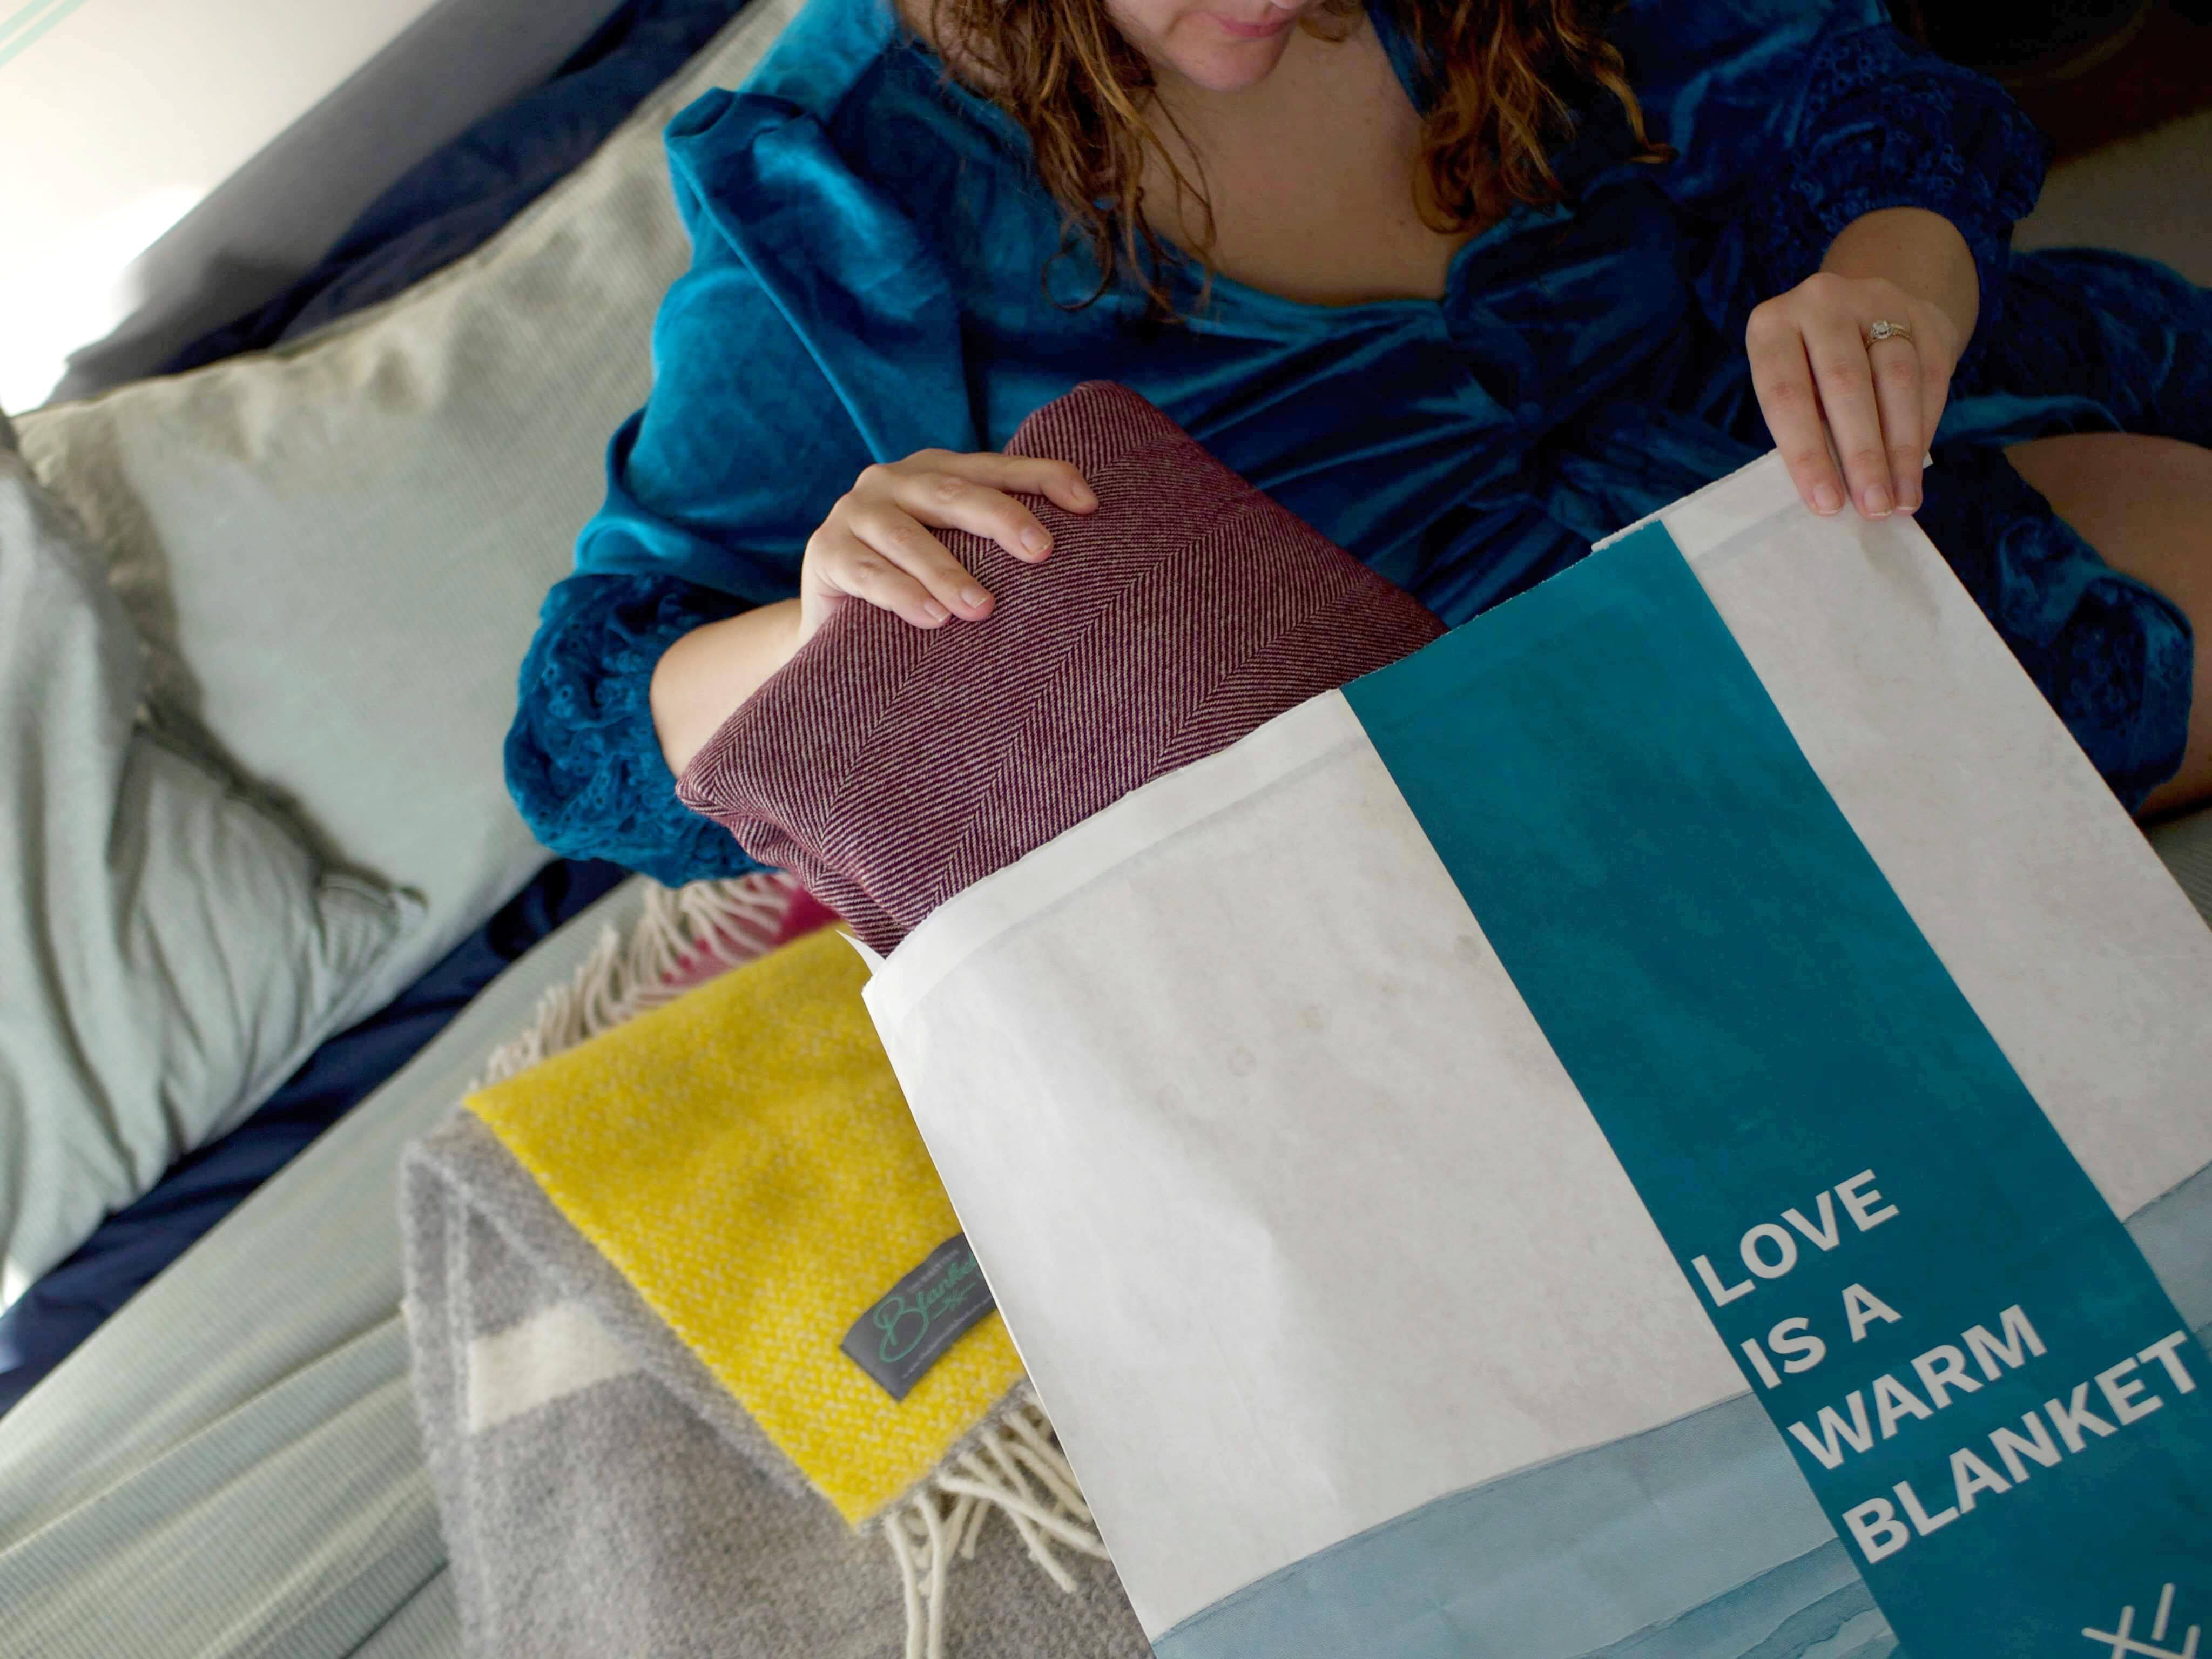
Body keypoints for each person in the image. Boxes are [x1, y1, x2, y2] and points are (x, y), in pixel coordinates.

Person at [506, 0, 2211, 887]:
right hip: (1521, 804)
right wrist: (829, 627)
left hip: (1839, 481)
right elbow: (582, 718)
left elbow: (1851, 91)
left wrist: (1886, 280)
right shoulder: (850, 181)